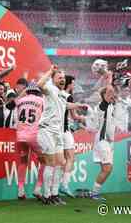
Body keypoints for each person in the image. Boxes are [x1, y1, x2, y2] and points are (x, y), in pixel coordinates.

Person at [37, 65, 87, 205]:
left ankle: (54, 194)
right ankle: (46, 196)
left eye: (63, 78)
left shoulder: (63, 94)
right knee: (51, 163)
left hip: (58, 131)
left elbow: (65, 106)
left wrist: (77, 105)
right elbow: (39, 84)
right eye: (59, 77)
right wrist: (50, 71)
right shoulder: (50, 89)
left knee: (62, 163)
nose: (62, 80)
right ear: (53, 79)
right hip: (46, 130)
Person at [14, 82, 44, 200]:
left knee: (23, 162)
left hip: (20, 135)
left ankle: (20, 190)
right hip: (35, 134)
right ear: (38, 92)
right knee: (45, 161)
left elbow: (16, 103)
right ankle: (38, 188)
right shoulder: (41, 100)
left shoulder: (20, 101)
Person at [90, 77, 118, 201]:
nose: (113, 95)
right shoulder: (103, 106)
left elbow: (113, 92)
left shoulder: (111, 105)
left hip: (108, 141)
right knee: (107, 168)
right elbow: (109, 91)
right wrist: (109, 77)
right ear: (104, 96)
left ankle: (94, 192)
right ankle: (94, 193)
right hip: (102, 141)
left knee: (106, 168)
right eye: (110, 94)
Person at [60, 75, 85, 198]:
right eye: (73, 83)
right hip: (65, 130)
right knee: (70, 158)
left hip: (55, 130)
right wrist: (85, 118)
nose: (74, 85)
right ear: (69, 84)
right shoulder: (68, 96)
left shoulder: (57, 94)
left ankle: (52, 189)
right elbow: (74, 116)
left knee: (59, 160)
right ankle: (64, 184)